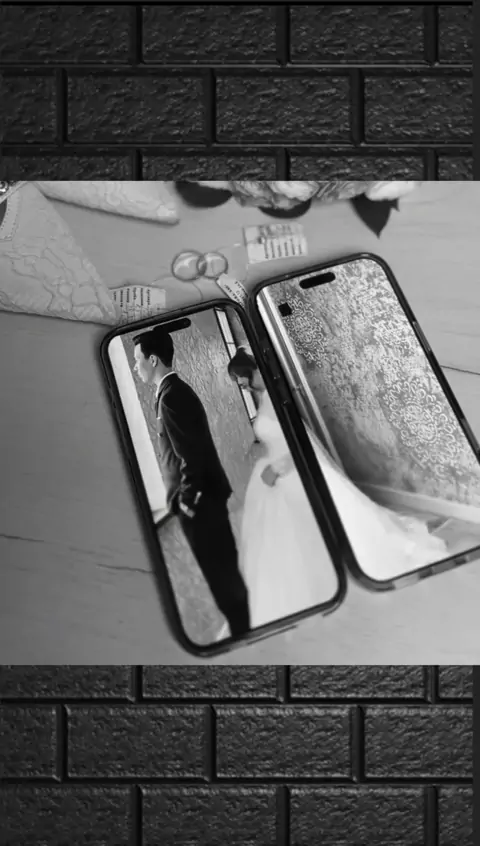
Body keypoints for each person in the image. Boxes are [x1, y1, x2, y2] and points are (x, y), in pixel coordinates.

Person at [227, 347, 448, 629]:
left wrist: (278, 468)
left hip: (292, 471)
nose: (243, 386)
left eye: (242, 379)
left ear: (252, 371)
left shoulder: (274, 397)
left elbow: (298, 442)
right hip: (282, 475)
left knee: (336, 523)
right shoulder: (264, 396)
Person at [133, 327, 250, 638]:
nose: (135, 367)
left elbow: (192, 456)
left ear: (153, 360)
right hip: (202, 501)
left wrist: (187, 502)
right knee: (222, 572)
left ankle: (243, 633)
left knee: (221, 574)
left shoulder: (173, 396)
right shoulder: (171, 392)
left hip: (200, 504)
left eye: (137, 360)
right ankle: (243, 626)